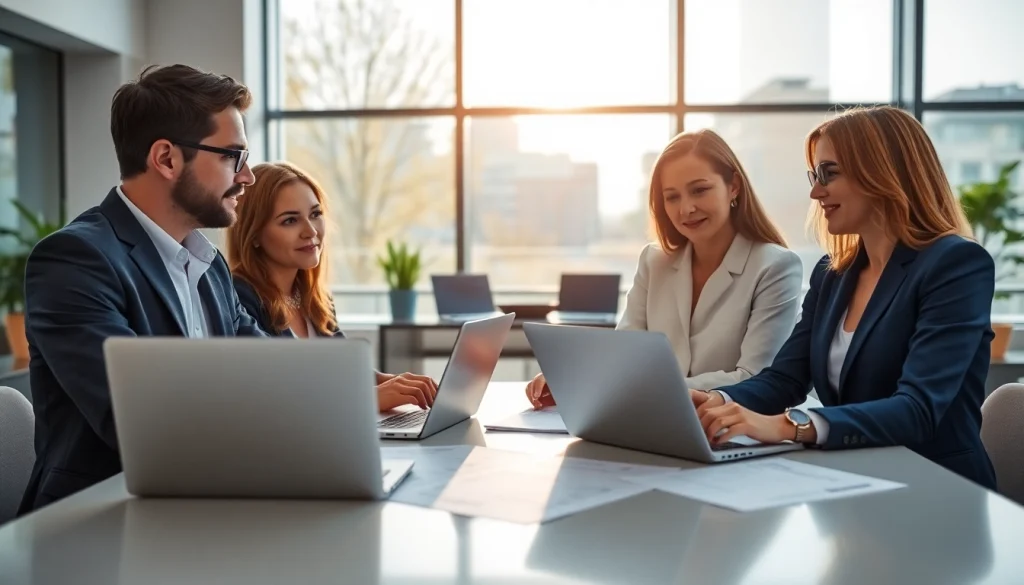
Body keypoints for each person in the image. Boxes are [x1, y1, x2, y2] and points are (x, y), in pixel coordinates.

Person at [694, 106, 998, 490]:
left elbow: (917, 410)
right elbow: (786, 379)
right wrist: (712, 401)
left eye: (829, 174)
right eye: (815, 175)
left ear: (883, 173)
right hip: (852, 483)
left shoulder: (955, 265)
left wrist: (791, 426)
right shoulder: (832, 274)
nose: (815, 191)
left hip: (938, 490)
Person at [18, 64, 268, 514]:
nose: (247, 175)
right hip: (99, 523)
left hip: (206, 502)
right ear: (167, 158)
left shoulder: (209, 267)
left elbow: (275, 374)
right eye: (234, 156)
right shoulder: (75, 260)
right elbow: (139, 418)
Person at [526, 129, 803, 408]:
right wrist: (573, 378)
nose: (686, 209)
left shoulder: (775, 267)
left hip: (731, 425)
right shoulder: (654, 261)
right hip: (654, 419)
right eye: (672, 197)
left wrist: (639, 388)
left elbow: (755, 377)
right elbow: (626, 355)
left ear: (734, 187)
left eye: (700, 190)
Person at [226, 161, 438, 412]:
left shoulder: (314, 298)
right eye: (290, 221)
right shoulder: (238, 297)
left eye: (315, 214)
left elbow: (340, 370)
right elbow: (277, 390)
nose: (310, 231)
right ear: (254, 234)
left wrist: (392, 382)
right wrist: (369, 397)